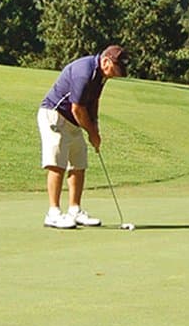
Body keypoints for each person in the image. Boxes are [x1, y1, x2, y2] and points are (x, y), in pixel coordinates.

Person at [38, 45, 129, 229]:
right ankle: (53, 213)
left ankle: (75, 210)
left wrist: (95, 126)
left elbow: (93, 101)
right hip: (55, 115)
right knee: (57, 163)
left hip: (73, 120)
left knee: (79, 163)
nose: (116, 75)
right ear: (106, 61)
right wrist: (92, 133)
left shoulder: (101, 76)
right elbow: (77, 108)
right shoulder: (84, 73)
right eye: (116, 69)